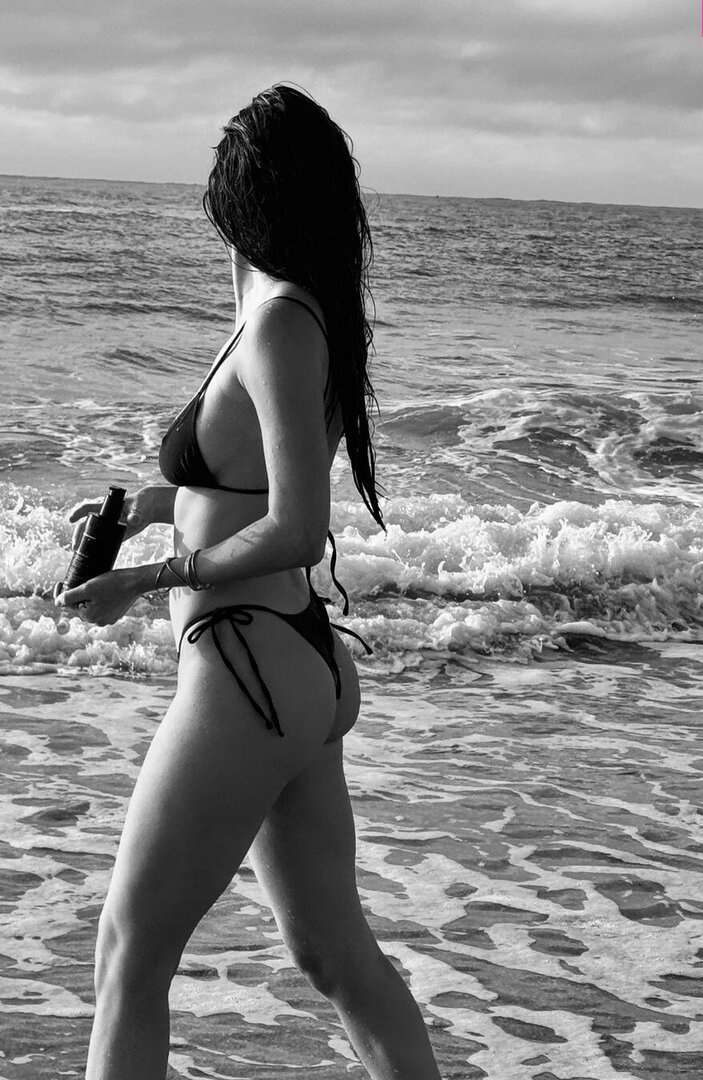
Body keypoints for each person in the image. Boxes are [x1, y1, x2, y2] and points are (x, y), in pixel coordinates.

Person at [56, 84, 442, 1080]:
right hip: (291, 665)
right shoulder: (290, 310)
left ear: (250, 198)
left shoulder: (280, 326)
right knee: (336, 957)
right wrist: (155, 504)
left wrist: (151, 576)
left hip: (248, 673)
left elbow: (296, 527)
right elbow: (249, 479)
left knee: (128, 955)